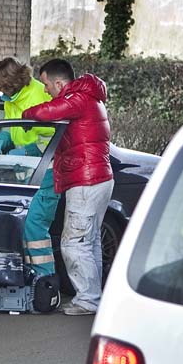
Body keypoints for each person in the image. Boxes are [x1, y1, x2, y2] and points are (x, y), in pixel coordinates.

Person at [22, 59, 113, 315]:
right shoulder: (89, 97)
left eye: (47, 85)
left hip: (85, 180)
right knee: (89, 241)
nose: (47, 91)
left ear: (59, 83)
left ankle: (87, 301)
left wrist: (26, 114)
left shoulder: (77, 98)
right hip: (98, 178)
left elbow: (45, 112)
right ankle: (92, 296)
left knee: (74, 243)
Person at [0, 57, 61, 280]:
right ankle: (30, 277)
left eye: (0, 87)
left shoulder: (40, 95)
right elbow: (11, 127)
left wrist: (28, 152)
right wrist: (2, 139)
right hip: (26, 172)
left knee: (35, 227)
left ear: (11, 83)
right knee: (23, 226)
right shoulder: (12, 99)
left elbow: (55, 137)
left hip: (47, 171)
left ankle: (45, 280)